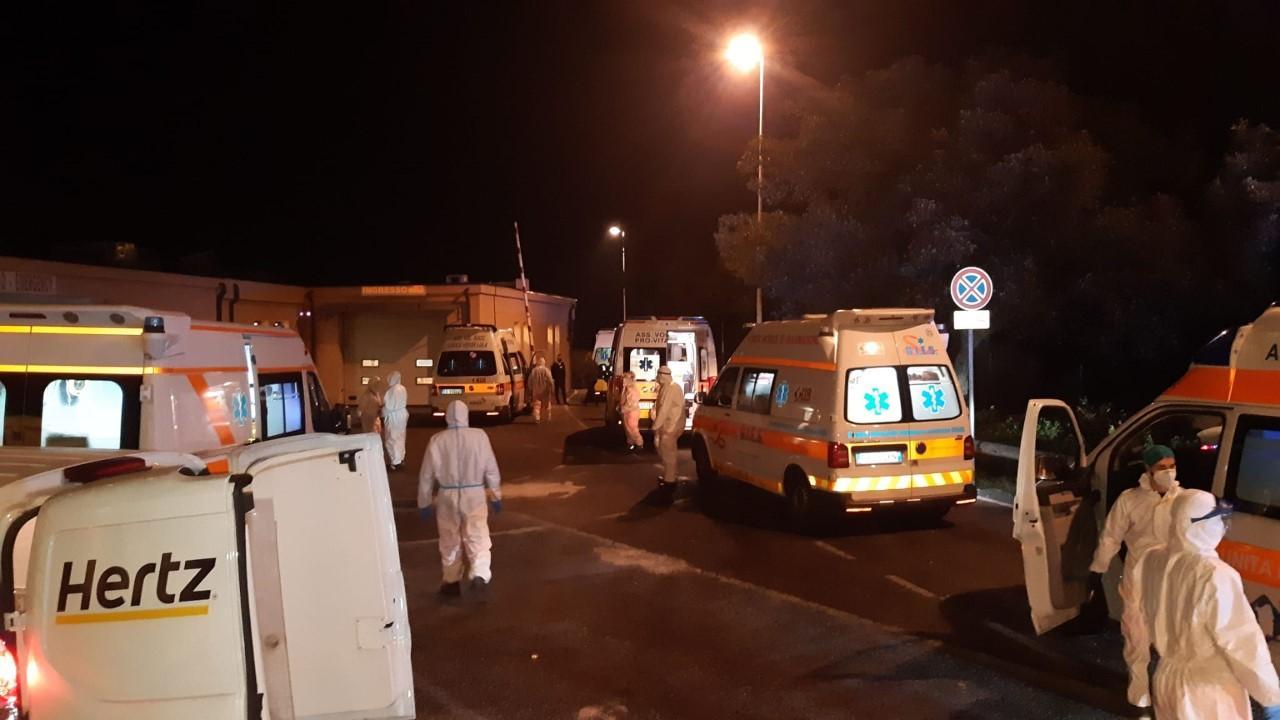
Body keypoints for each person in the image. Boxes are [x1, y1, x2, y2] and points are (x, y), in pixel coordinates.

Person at [1138, 489, 1280, 719]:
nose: (1220, 525)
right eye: (1214, 519)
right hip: (1208, 691)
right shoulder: (1214, 575)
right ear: (1196, 524)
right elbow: (1241, 641)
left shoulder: (1154, 559)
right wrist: (1271, 696)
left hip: (1167, 680)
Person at [1088, 444, 1182, 709]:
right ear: (1148, 470)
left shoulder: (1183, 499)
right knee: (1136, 635)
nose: (1168, 472)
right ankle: (1139, 689)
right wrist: (1098, 568)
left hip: (1170, 580)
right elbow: (1111, 537)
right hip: (1138, 578)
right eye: (1162, 468)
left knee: (1171, 638)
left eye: (1172, 466)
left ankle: (1168, 691)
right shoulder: (1130, 500)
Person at [418, 400, 503, 602]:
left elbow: (426, 475)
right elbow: (491, 468)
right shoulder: (479, 437)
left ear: (447, 416)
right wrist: (496, 494)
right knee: (478, 535)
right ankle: (480, 574)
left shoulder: (437, 440)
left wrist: (424, 501)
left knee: (449, 539)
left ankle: (451, 581)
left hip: (447, 496)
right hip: (474, 494)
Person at [651, 365, 687, 489]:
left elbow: (665, 409)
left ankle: (669, 480)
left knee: (668, 452)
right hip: (667, 426)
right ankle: (670, 474)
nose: (657, 377)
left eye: (659, 375)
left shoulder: (671, 389)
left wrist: (656, 425)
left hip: (671, 426)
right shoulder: (665, 388)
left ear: (663, 376)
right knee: (664, 450)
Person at [380, 371, 409, 471]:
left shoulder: (392, 390)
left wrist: (381, 413)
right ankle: (400, 458)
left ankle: (395, 462)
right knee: (400, 437)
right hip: (402, 414)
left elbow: (389, 406)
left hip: (393, 416)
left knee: (392, 438)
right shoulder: (403, 388)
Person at [528, 356, 555, 423]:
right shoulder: (546, 370)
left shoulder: (534, 371)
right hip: (545, 391)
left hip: (536, 391)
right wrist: (552, 388)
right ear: (544, 363)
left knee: (537, 405)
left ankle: (537, 418)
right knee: (547, 404)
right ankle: (548, 416)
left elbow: (530, 381)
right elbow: (550, 380)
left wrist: (530, 389)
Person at [620, 371, 643, 450]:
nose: (623, 380)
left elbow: (632, 403)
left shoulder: (632, 390)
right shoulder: (626, 389)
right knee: (628, 429)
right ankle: (631, 443)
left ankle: (639, 444)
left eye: (625, 378)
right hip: (626, 412)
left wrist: (623, 408)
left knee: (632, 428)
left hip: (632, 412)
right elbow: (623, 400)